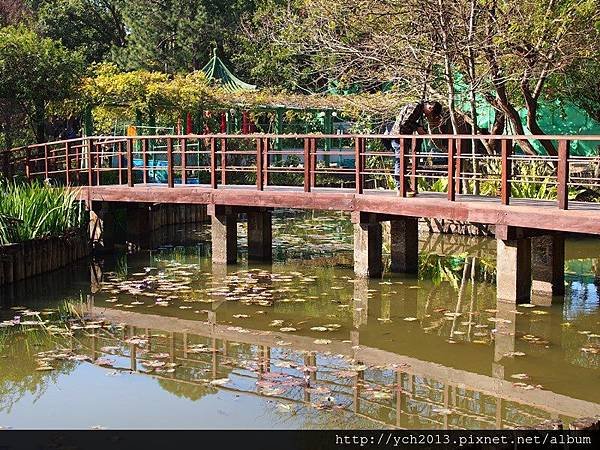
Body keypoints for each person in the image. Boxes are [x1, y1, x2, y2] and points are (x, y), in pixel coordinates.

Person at [384, 101, 443, 195]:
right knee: (401, 162)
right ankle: (400, 188)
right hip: (399, 138)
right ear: (430, 108)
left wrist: (418, 127)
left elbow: (408, 121)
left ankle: (404, 187)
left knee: (403, 162)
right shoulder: (416, 107)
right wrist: (418, 128)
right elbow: (405, 122)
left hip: (401, 138)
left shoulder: (418, 108)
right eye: (430, 114)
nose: (428, 116)